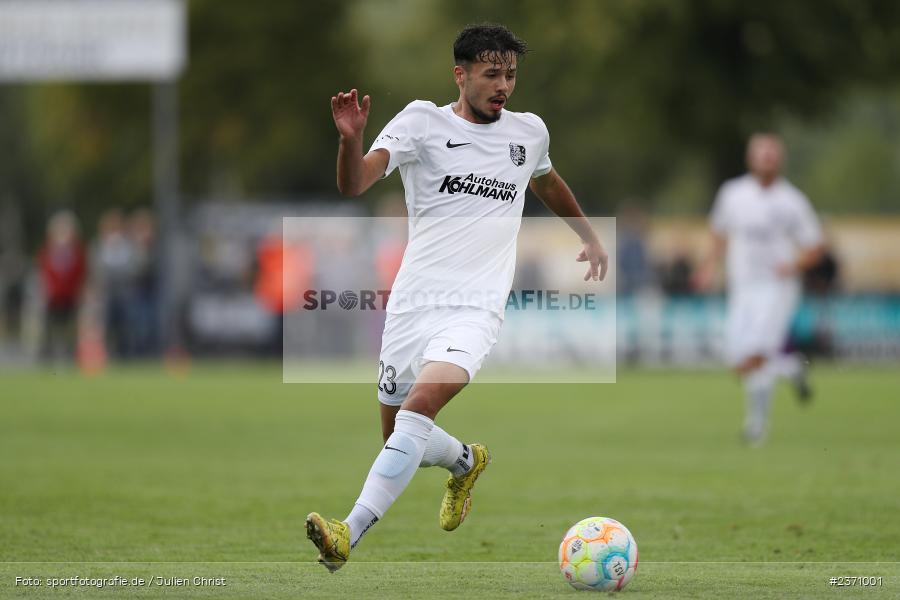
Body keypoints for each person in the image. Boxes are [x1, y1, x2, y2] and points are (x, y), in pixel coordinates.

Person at [306, 24, 608, 571]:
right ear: (460, 74)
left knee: (418, 410)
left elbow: (545, 181)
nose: (503, 86)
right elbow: (354, 185)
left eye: (511, 75)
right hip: (412, 305)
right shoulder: (422, 122)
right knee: (397, 431)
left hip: (476, 309)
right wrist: (351, 140)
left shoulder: (529, 132)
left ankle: (345, 534)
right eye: (492, 74)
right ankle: (466, 461)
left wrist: (587, 234)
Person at [695, 133, 824, 444]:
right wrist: (710, 267)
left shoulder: (792, 201)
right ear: (750, 158)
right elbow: (719, 233)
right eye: (761, 153)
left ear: (780, 160)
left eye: (772, 154)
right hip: (742, 287)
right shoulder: (733, 194)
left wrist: (793, 265)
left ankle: (756, 428)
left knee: (756, 356)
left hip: (776, 289)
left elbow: (815, 246)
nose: (767, 159)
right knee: (738, 361)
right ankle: (792, 367)